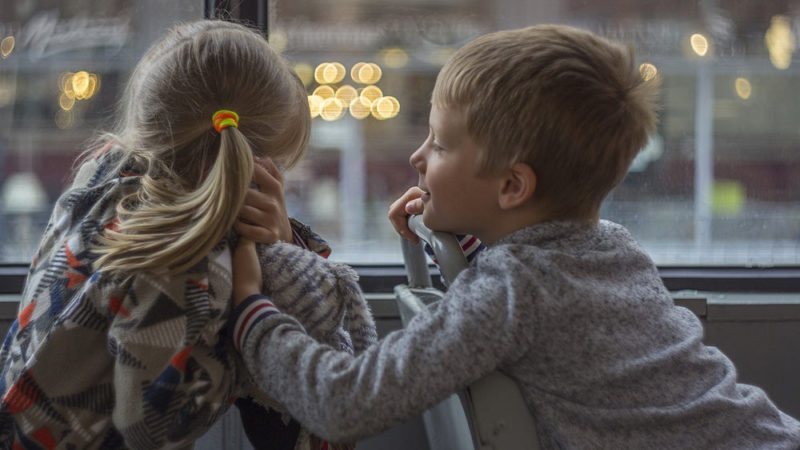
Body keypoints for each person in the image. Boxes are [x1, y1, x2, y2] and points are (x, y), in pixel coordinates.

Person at [229, 24, 800, 449]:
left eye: (440, 144)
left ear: (511, 186)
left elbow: (343, 403)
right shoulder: (612, 246)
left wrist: (253, 311)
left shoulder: (511, 294)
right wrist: (441, 240)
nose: (416, 157)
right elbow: (528, 295)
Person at [0, 20, 375, 449]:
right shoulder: (186, 259)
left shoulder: (104, 170)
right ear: (252, 173)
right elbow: (150, 429)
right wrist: (241, 338)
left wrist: (283, 242)